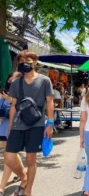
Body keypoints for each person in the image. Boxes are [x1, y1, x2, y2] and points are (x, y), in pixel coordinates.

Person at [4, 51, 54, 196]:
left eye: (27, 60)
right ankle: (23, 176)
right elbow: (13, 106)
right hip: (18, 124)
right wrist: (9, 127)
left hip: (36, 124)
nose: (24, 63)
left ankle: (28, 191)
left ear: (35, 63)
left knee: (31, 158)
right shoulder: (16, 83)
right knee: (9, 158)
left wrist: (50, 123)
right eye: (21, 61)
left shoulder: (44, 80)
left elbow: (50, 102)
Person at [0, 72, 23, 195]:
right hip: (4, 128)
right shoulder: (4, 92)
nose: (11, 81)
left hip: (17, 128)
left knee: (8, 157)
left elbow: (22, 109)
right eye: (10, 79)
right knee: (10, 156)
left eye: (14, 80)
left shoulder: (23, 92)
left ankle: (2, 187)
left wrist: (9, 100)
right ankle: (24, 175)